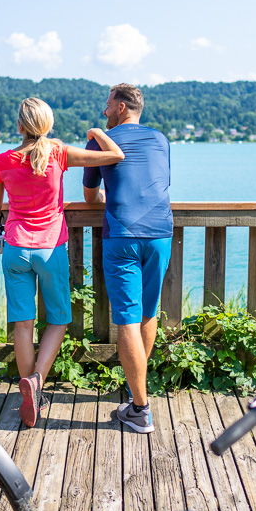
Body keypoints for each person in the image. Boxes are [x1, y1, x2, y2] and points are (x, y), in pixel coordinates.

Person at [0, 97, 125, 427]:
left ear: (20, 126)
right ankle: (37, 381)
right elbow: (116, 155)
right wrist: (98, 132)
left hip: (16, 248)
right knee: (58, 319)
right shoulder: (58, 152)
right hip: (51, 248)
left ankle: (26, 392)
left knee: (23, 323)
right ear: (48, 124)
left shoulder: (2, 160)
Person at [83, 83, 173, 434]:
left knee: (127, 321)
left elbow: (90, 197)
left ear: (121, 108)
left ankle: (140, 408)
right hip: (160, 232)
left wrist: (104, 194)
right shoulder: (161, 140)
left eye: (107, 106)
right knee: (148, 313)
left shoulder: (100, 141)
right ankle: (139, 391)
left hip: (122, 234)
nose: (104, 112)